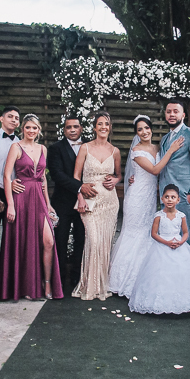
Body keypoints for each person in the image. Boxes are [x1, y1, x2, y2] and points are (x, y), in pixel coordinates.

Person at [107, 115, 183, 297]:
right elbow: (156, 170)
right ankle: (124, 280)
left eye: (146, 128)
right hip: (137, 196)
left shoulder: (157, 147)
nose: (144, 132)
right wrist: (171, 151)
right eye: (140, 130)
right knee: (135, 233)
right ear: (136, 133)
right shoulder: (136, 150)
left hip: (150, 196)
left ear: (151, 129)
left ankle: (147, 277)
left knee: (147, 232)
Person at [127, 184, 190, 315]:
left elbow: (186, 232)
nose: (170, 200)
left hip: (178, 245)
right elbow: (153, 234)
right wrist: (167, 242)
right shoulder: (158, 216)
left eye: (173, 197)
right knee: (160, 274)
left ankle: (183, 302)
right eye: (167, 197)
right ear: (162, 199)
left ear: (178, 200)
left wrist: (181, 242)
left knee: (182, 272)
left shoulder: (181, 216)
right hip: (161, 246)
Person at [0, 114, 64, 301]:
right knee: (23, 242)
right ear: (23, 129)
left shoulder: (42, 148)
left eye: (34, 128)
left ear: (39, 130)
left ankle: (47, 282)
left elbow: (43, 178)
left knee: (48, 241)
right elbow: (6, 176)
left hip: (39, 198)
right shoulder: (16, 147)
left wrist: (48, 203)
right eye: (28, 127)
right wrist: (10, 204)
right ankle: (24, 286)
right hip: (21, 198)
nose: (31, 131)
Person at [73, 111, 122, 301]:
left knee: (105, 243)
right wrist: (80, 198)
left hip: (110, 203)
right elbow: (76, 177)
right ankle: (89, 285)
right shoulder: (84, 148)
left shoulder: (115, 151)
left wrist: (115, 180)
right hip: (89, 201)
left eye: (107, 124)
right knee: (93, 241)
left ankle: (103, 284)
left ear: (110, 128)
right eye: (100, 124)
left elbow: (119, 174)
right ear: (94, 127)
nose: (103, 127)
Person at [48, 115, 86, 295]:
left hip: (84, 203)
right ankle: (60, 279)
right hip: (62, 203)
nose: (72, 130)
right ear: (64, 130)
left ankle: (78, 279)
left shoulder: (89, 147)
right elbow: (56, 174)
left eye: (75, 127)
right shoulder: (55, 148)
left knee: (82, 240)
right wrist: (79, 186)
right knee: (60, 241)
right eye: (68, 127)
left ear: (81, 129)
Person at [158, 99, 190, 227]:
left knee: (184, 234)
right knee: (167, 234)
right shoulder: (164, 139)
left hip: (183, 195)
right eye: (168, 112)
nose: (172, 114)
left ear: (183, 115)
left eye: (176, 111)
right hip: (165, 195)